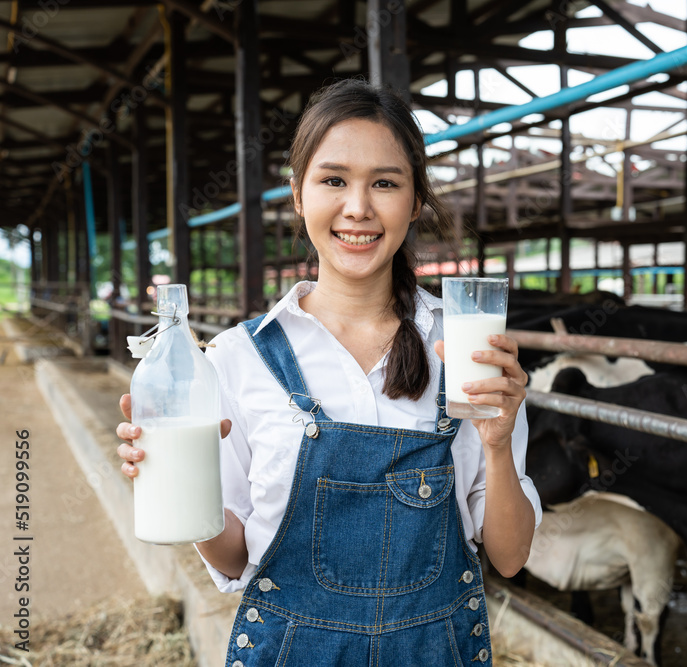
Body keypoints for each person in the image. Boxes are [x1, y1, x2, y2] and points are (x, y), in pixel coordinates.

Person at [115, 79, 541, 666]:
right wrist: (174, 480)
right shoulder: (239, 358)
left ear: (415, 200)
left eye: (385, 183)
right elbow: (236, 558)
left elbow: (510, 558)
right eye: (333, 180)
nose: (358, 208)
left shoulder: (466, 348)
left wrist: (497, 445)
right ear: (298, 195)